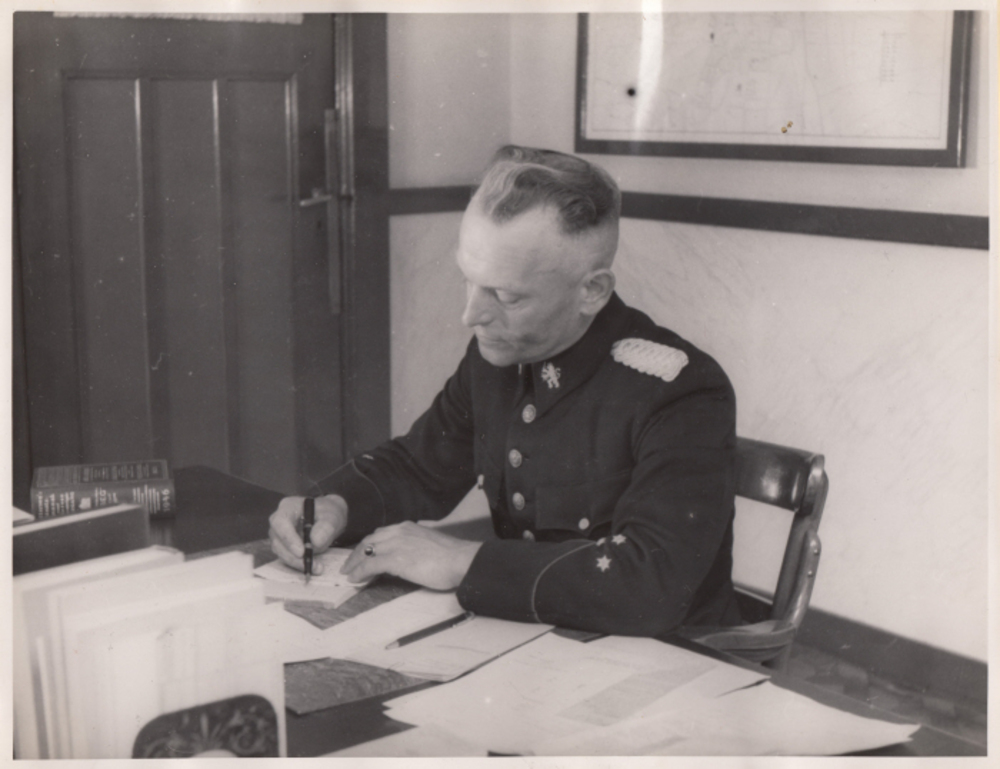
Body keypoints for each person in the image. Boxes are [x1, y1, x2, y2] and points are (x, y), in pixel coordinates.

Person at [269, 145, 742, 637]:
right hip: (539, 638)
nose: (471, 315)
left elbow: (649, 584)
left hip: (668, 658)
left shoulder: (680, 392)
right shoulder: (501, 355)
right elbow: (421, 466)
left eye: (506, 295)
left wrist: (462, 560)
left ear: (592, 291)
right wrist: (336, 505)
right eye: (469, 281)